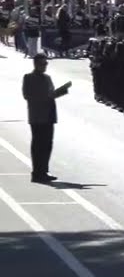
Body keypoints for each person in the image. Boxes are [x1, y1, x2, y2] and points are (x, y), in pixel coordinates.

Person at [22, 54, 70, 183]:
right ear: (36, 64)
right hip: (37, 116)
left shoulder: (47, 78)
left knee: (48, 144)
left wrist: (58, 92)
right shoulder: (29, 77)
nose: (45, 66)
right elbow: (27, 95)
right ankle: (37, 172)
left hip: (49, 115)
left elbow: (51, 93)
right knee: (38, 145)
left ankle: (44, 170)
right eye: (42, 64)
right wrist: (47, 96)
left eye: (46, 64)